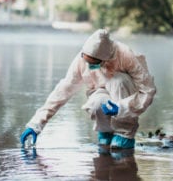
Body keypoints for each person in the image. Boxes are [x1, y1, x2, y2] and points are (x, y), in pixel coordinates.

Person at [20, 29, 156, 149]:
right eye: (86, 60)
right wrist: (36, 124)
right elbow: (63, 90)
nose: (88, 65)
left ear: (104, 59)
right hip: (100, 91)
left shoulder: (125, 55)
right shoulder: (81, 60)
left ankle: (124, 133)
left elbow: (147, 90)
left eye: (93, 63)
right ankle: (106, 131)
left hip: (124, 90)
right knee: (97, 103)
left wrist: (122, 107)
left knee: (117, 81)